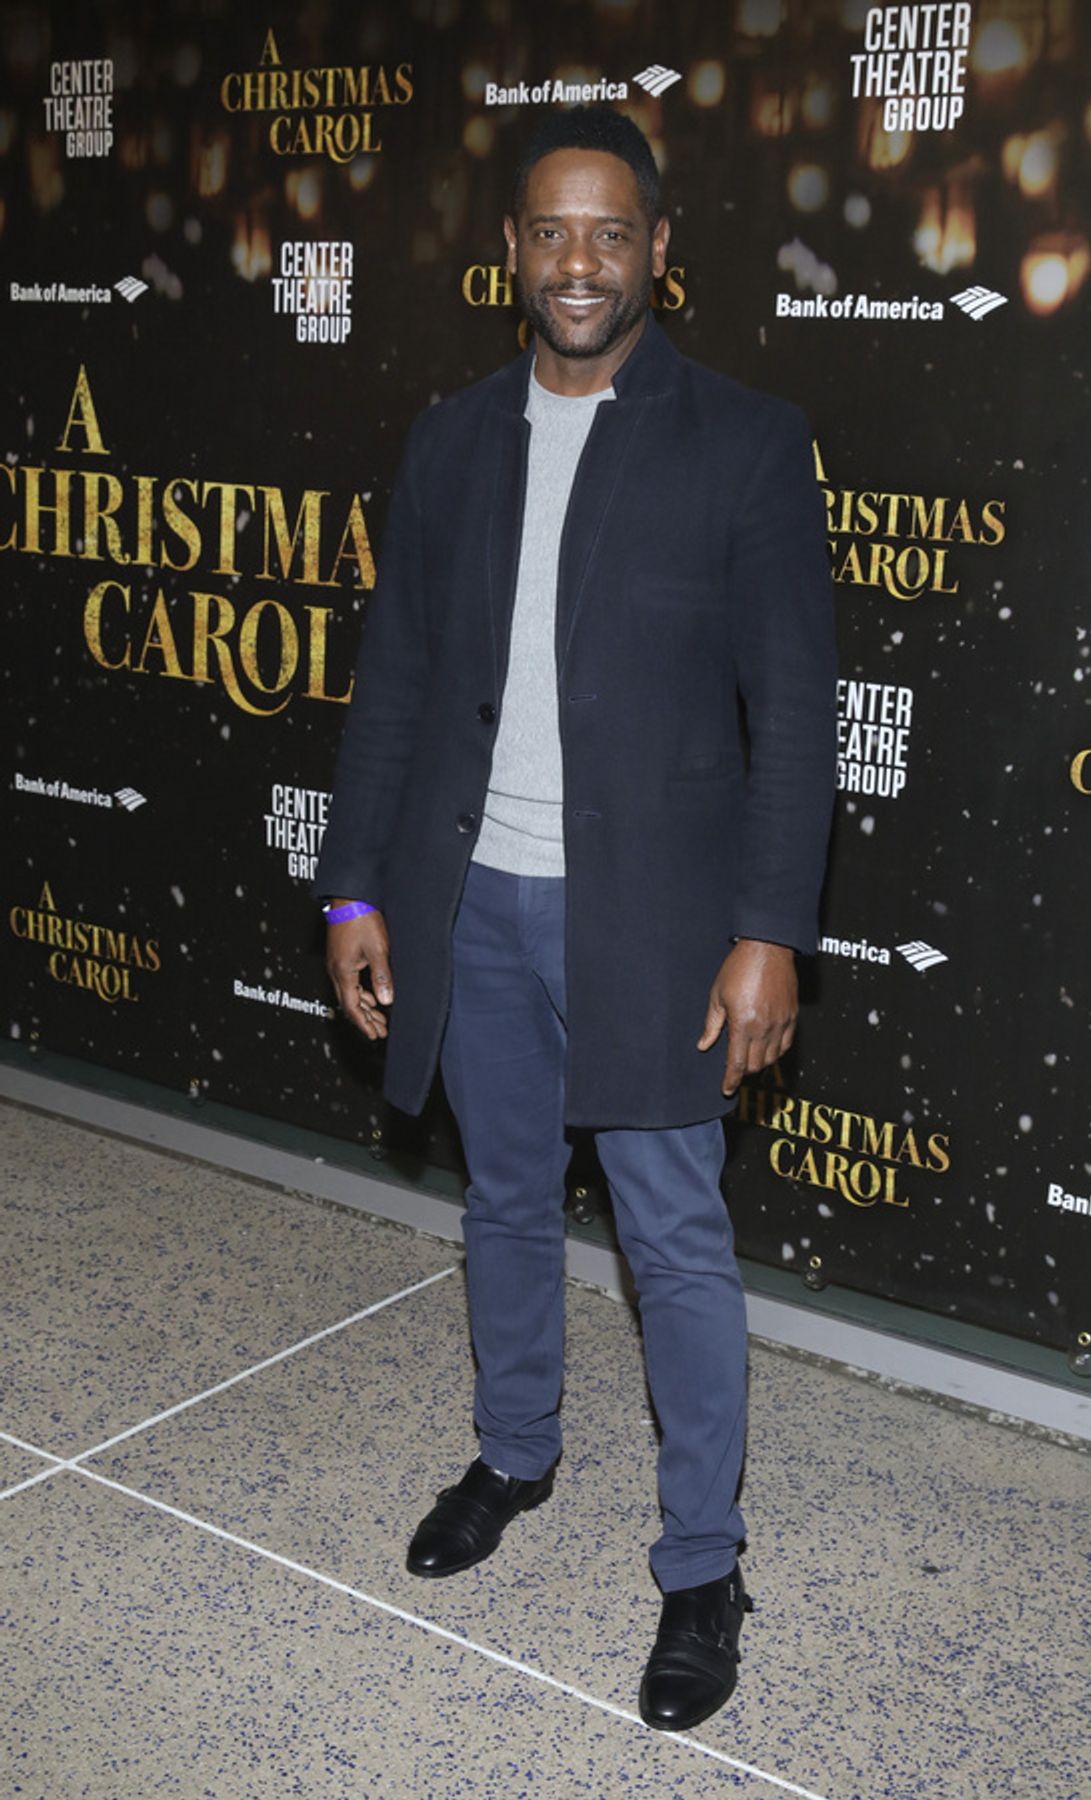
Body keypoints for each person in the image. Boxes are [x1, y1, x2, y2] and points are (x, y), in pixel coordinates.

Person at [315, 105, 836, 1731]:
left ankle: (703, 1563)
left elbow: (798, 717)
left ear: (661, 251)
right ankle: (516, 1454)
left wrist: (770, 929)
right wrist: (354, 883)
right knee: (503, 1205)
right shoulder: (454, 437)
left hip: (659, 926)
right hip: (470, 903)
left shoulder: (743, 441)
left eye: (613, 231)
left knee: (675, 1242)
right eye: (553, 232)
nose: (582, 262)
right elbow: (394, 683)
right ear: (514, 254)